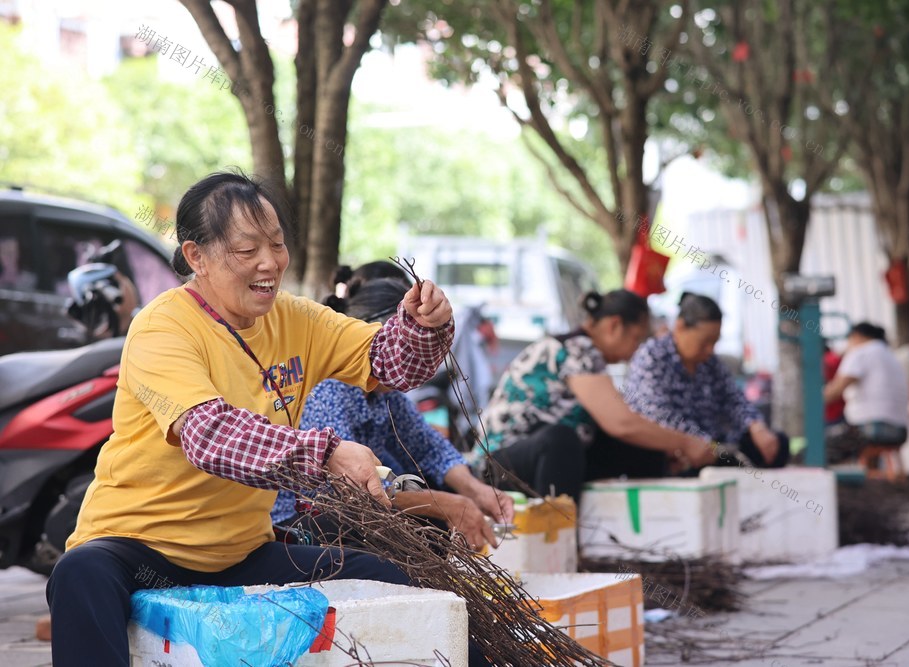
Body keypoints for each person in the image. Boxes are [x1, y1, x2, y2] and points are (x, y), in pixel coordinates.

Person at [46, 172, 459, 666]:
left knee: (396, 576)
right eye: (247, 251)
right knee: (80, 574)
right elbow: (210, 436)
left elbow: (389, 364)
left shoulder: (298, 319)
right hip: (137, 549)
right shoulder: (162, 328)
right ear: (196, 256)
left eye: (277, 244)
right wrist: (325, 454)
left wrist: (423, 327)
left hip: (239, 553)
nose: (269, 263)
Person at [272, 277, 513, 551]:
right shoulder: (329, 389)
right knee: (414, 532)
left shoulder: (387, 395)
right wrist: (446, 503)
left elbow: (430, 449)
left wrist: (475, 491)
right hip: (299, 525)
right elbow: (352, 491)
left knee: (431, 525)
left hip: (352, 513)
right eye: (407, 348)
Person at [479, 289, 715, 502]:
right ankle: (559, 537)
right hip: (500, 463)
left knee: (642, 448)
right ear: (614, 326)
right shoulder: (576, 349)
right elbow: (621, 423)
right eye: (636, 339)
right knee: (562, 440)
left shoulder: (587, 354)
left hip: (537, 460)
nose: (635, 351)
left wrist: (664, 450)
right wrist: (685, 442)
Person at [622, 292, 790, 474]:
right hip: (676, 448)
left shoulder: (710, 362)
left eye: (714, 342)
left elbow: (733, 399)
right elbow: (658, 416)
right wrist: (697, 444)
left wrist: (756, 426)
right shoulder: (652, 357)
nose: (709, 350)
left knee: (775, 444)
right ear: (680, 327)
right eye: (704, 342)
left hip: (714, 447)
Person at [824, 322, 909, 461]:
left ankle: (848, 480)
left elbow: (834, 391)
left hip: (872, 428)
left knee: (817, 442)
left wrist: (810, 401)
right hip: (900, 430)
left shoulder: (860, 352)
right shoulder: (890, 355)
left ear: (856, 336)